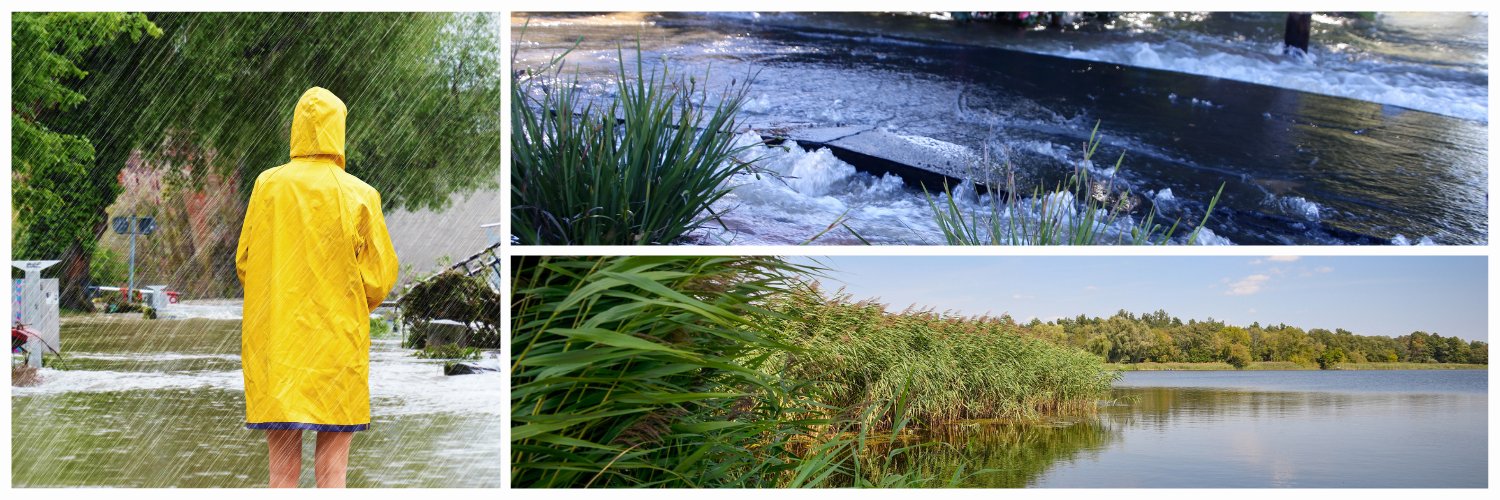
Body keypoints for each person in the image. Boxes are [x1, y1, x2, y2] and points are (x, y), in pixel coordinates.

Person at [235, 87, 399, 488]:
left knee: (281, 472)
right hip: (337, 349)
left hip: (279, 347)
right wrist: (341, 301)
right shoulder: (360, 195)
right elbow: (378, 279)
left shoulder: (266, 186)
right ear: (338, 130)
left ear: (296, 129)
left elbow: (245, 263)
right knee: (332, 474)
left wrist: (281, 293)